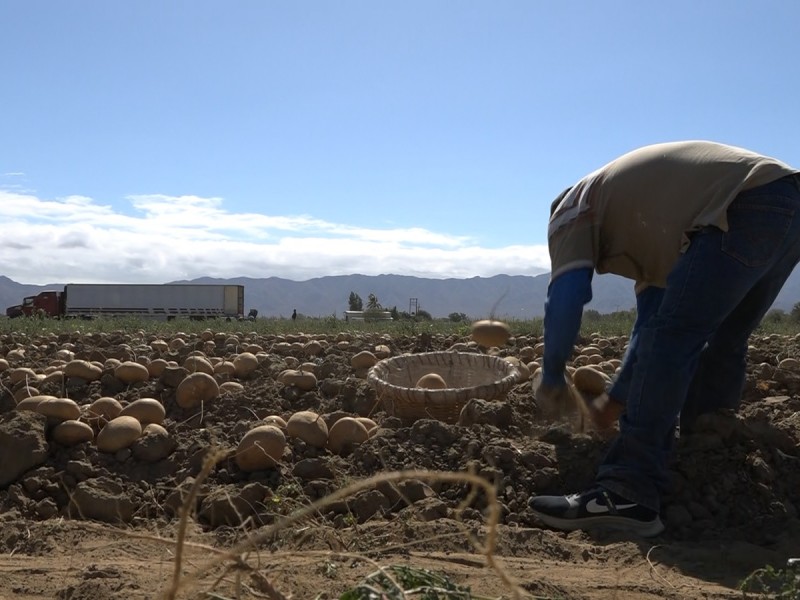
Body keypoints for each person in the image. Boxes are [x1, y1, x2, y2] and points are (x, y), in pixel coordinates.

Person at [529, 140, 800, 537]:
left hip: (742, 202)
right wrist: (615, 400)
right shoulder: (655, 230)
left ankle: (628, 490)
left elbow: (566, 296)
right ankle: (709, 457)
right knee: (724, 338)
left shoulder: (571, 209)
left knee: (676, 338)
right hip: (784, 203)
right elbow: (649, 328)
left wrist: (551, 376)